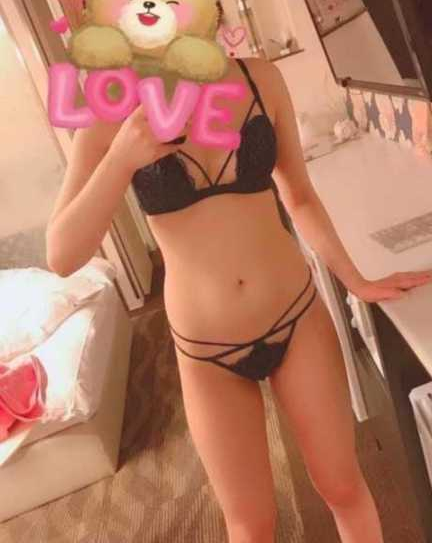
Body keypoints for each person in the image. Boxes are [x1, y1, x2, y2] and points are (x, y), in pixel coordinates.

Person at [46, 52, 432, 542]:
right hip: (207, 354)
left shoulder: (260, 77)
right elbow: (62, 255)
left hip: (296, 318)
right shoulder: (110, 111)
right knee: (251, 526)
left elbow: (299, 196)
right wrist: (120, 158)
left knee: (342, 486)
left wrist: (355, 281)